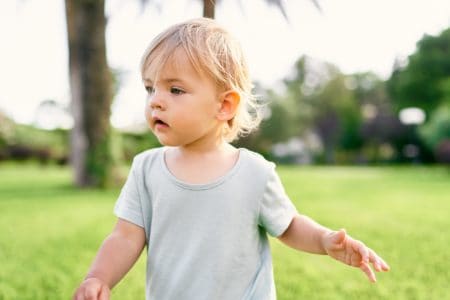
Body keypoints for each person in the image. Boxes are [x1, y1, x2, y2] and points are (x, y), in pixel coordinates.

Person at [73, 18, 389, 300]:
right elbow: (125, 237)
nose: (156, 100)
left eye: (176, 90)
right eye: (150, 88)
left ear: (224, 105)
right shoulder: (146, 169)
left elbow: (288, 225)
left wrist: (324, 239)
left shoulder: (254, 172)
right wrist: (98, 277)